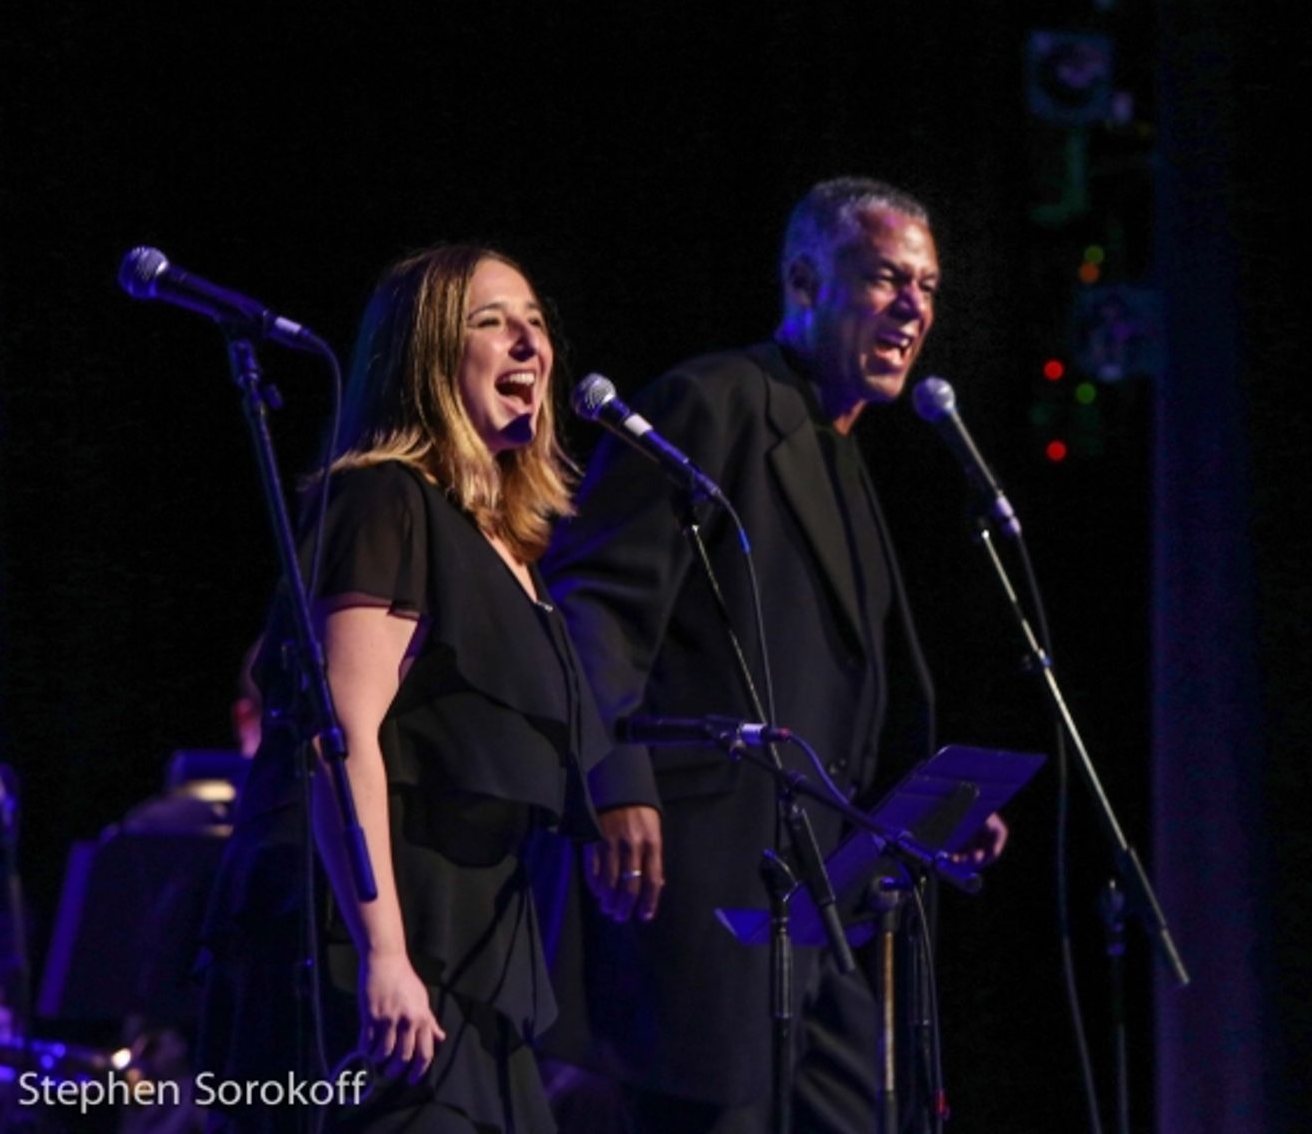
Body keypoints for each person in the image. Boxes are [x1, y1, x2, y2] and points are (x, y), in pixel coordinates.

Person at [536, 178, 1007, 1134]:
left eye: (928, 286)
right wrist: (615, 777)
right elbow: (593, 604)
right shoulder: (717, 403)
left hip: (820, 916)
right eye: (885, 278)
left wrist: (919, 816)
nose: (915, 308)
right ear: (804, 280)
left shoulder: (843, 450)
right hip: (705, 898)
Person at [196, 243, 609, 1133]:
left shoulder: (515, 552)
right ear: (424, 359)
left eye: (536, 324)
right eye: (491, 324)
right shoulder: (385, 501)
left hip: (478, 961)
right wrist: (385, 953)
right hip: (376, 943)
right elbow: (339, 737)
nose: (529, 345)